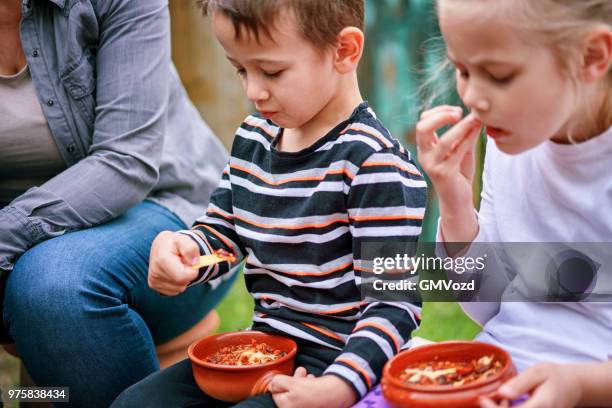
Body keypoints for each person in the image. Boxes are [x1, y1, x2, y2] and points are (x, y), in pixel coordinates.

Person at [112, 0, 427, 407]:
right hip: (263, 351)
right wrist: (190, 250)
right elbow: (225, 231)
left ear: (344, 51)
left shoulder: (373, 165)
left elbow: (394, 303)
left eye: (272, 72)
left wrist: (339, 386)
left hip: (340, 365)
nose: (253, 90)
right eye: (240, 69)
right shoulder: (254, 137)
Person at [0, 0, 238, 405]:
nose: (255, 91)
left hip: (166, 211)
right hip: (19, 251)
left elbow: (125, 163)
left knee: (55, 288)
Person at [415, 0, 612, 407]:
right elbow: (490, 305)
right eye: (463, 70)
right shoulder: (513, 139)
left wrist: (579, 386)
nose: (472, 96)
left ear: (591, 57)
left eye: (499, 76)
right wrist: (454, 200)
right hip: (500, 374)